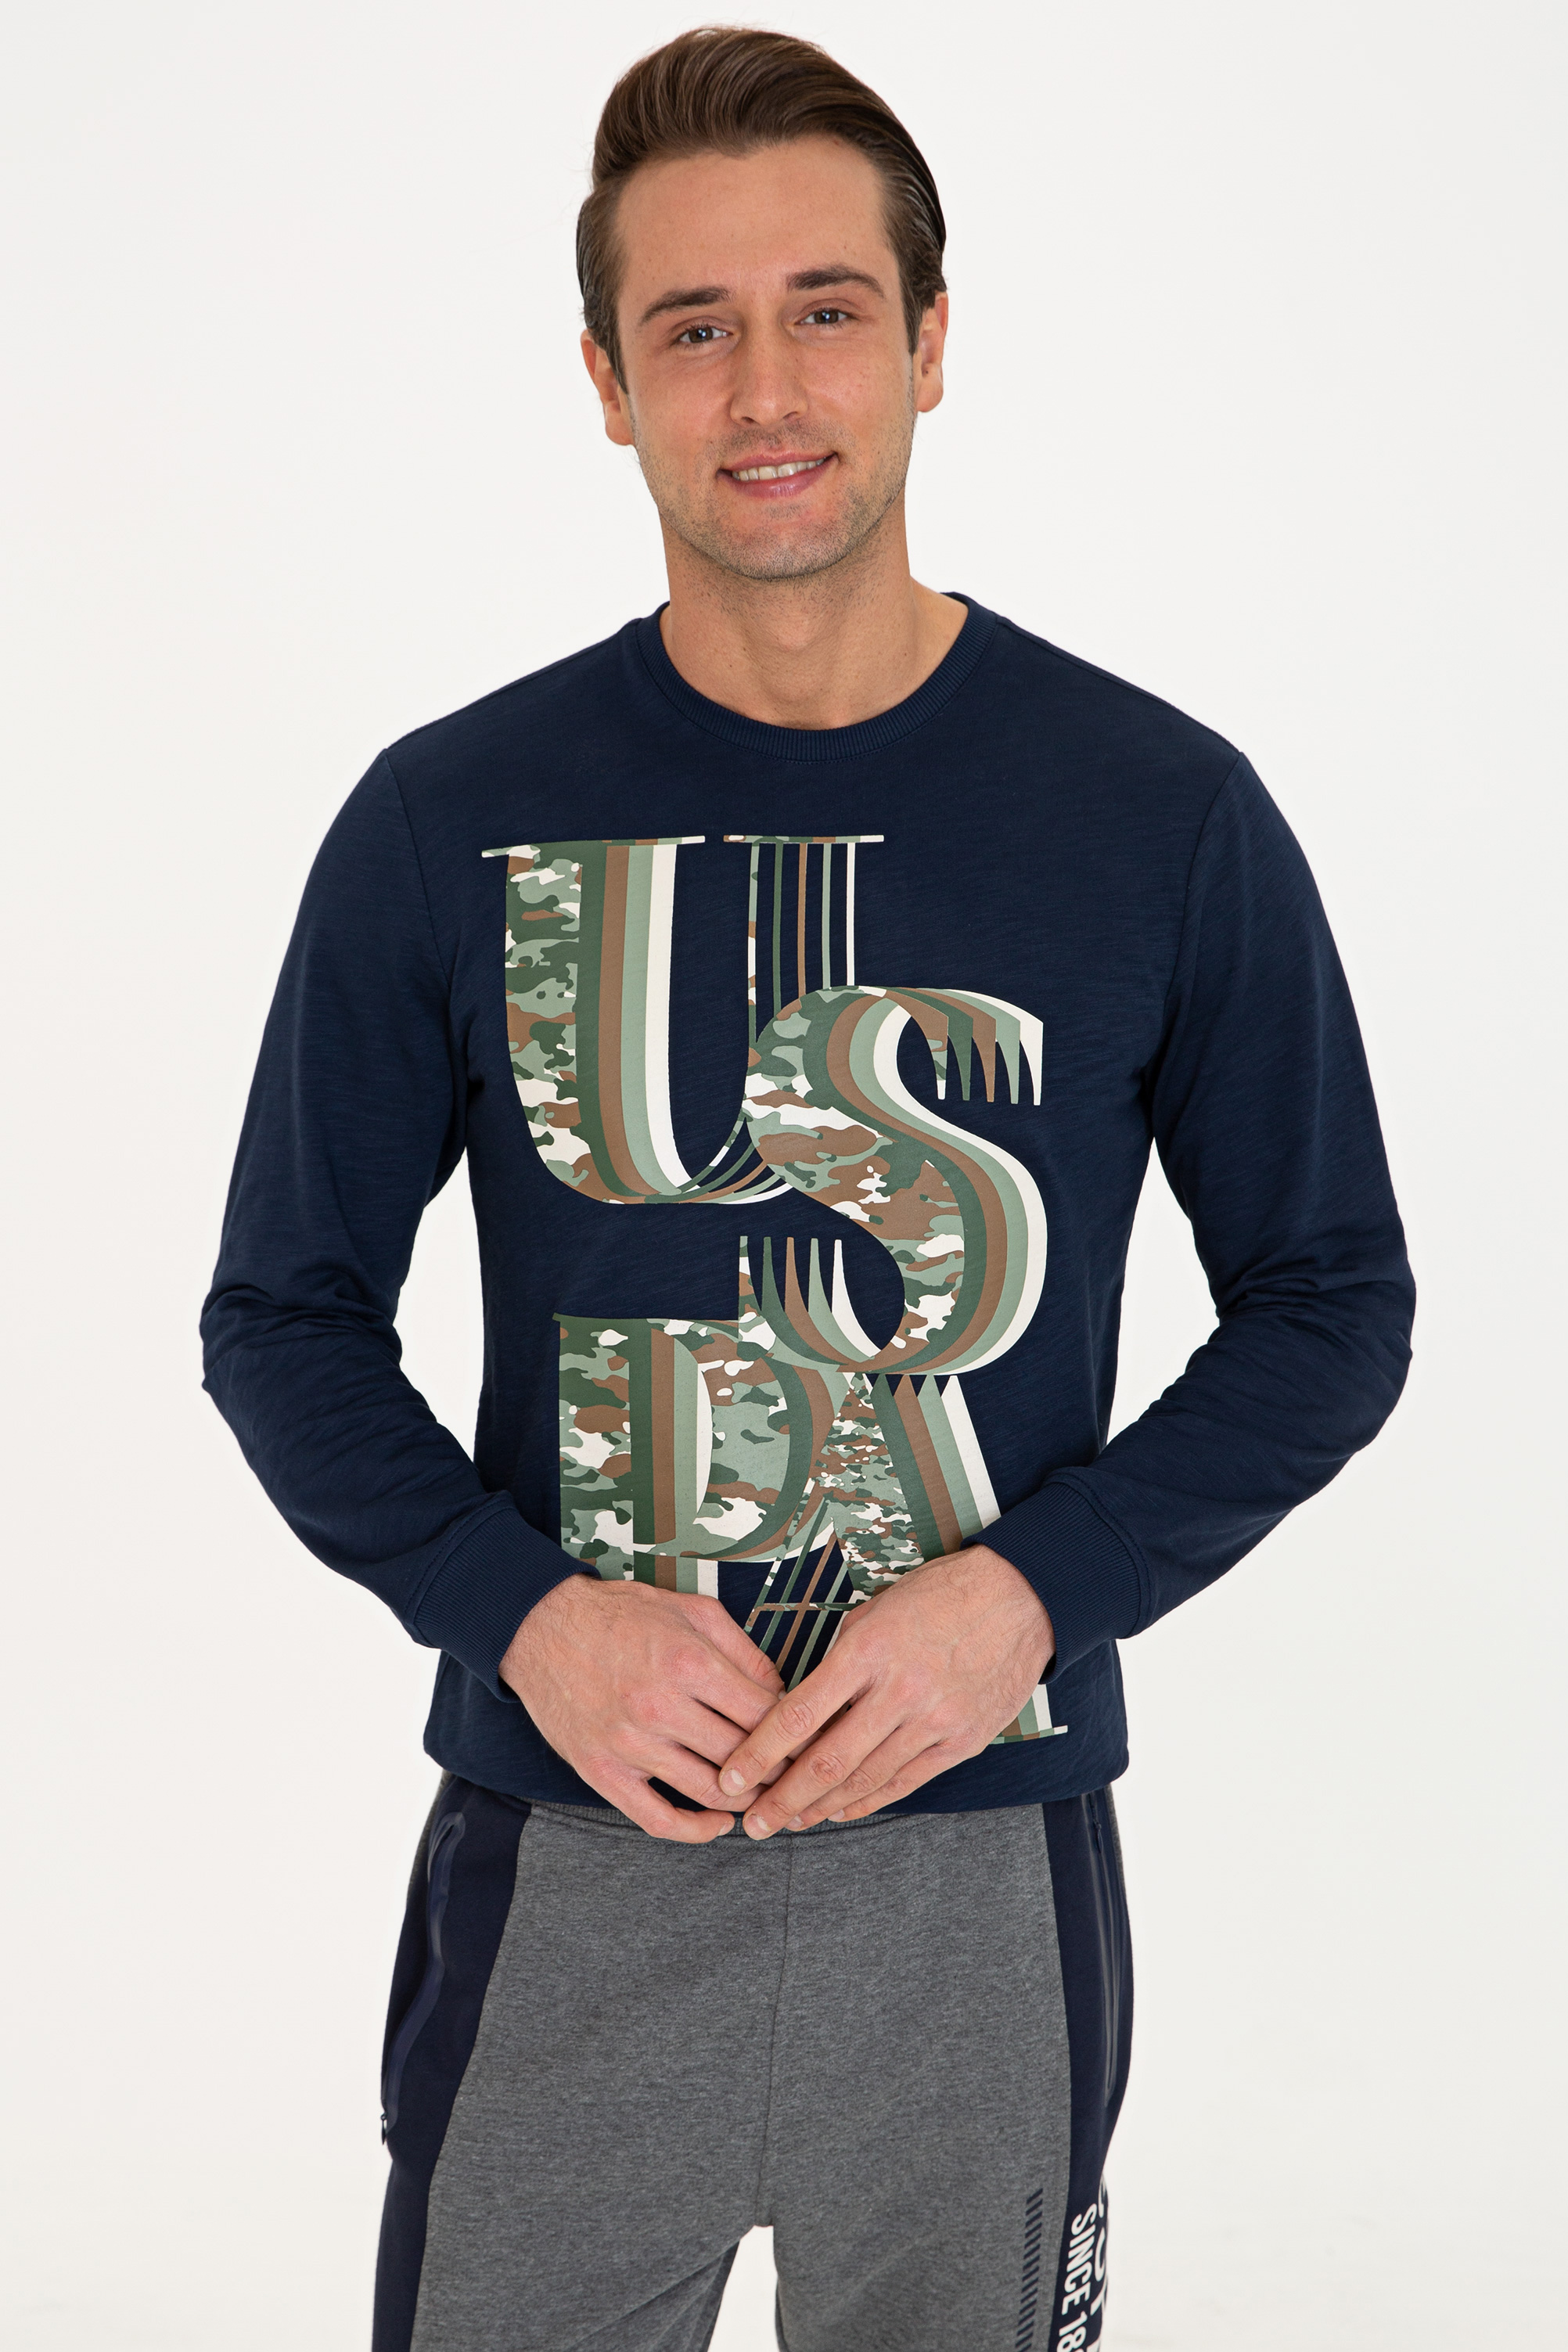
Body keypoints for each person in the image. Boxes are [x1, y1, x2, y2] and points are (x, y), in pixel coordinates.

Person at [201, 26, 1415, 2352]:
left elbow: (1331, 1298)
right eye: (693, 327)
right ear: (607, 383)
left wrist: (1029, 1600)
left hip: (980, 1872)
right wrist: (523, 1614)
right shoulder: (444, 817)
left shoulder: (1159, 813)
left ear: (932, 342)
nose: (765, 388)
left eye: (827, 309)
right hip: (568, 1854)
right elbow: (280, 1317)